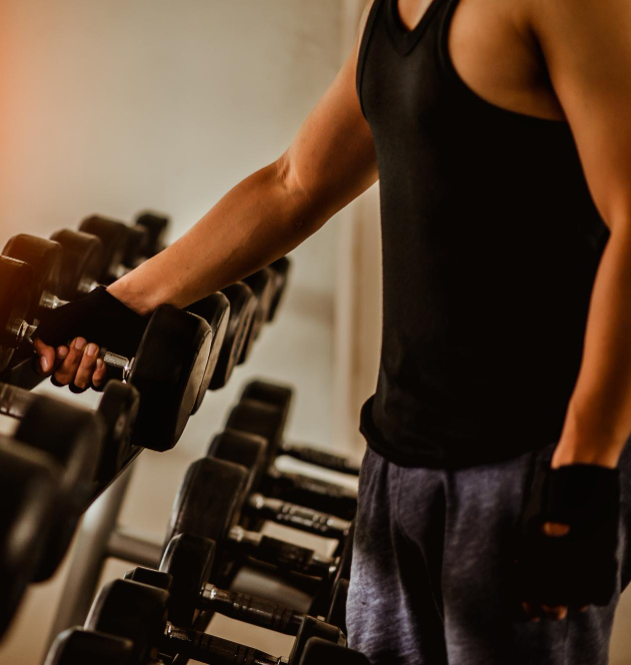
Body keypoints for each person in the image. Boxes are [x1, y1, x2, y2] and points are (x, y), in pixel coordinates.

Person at [32, 0, 631, 662]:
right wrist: (120, 305)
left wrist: (587, 467)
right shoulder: (392, 14)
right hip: (398, 458)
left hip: (526, 466)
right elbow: (294, 185)